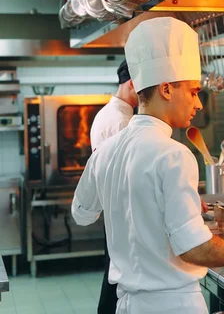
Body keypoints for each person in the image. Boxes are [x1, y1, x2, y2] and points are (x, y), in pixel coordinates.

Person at [71, 17, 224, 314]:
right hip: (173, 305)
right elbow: (194, 248)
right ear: (167, 89)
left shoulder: (106, 151)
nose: (198, 105)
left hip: (127, 305)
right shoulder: (174, 154)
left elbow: (81, 213)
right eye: (194, 92)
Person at [90, 60, 138, 314]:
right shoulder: (123, 121)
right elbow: (131, 177)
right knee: (116, 287)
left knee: (112, 282)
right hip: (124, 215)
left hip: (114, 213)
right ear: (132, 84)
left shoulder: (106, 114)